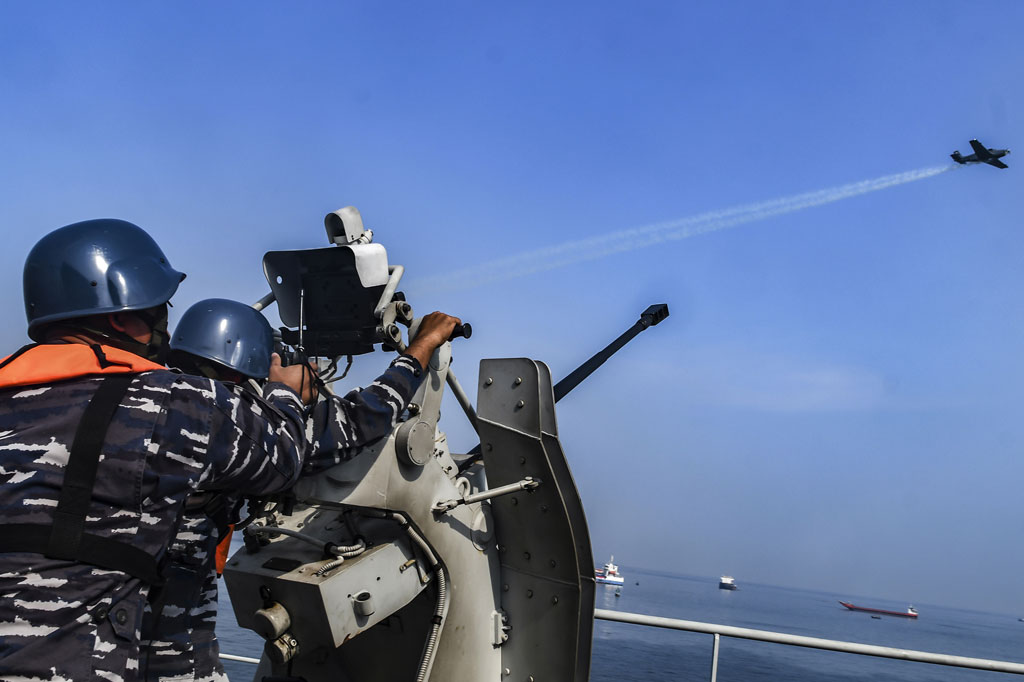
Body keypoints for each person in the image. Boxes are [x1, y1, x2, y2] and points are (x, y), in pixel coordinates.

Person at [0, 219, 316, 681]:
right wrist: (285, 392)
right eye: (159, 305)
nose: (165, 319)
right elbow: (282, 458)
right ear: (120, 315)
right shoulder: (171, 402)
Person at [142, 292, 460, 681]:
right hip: (168, 636)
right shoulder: (231, 421)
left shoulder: (147, 397)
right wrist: (422, 346)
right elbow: (366, 418)